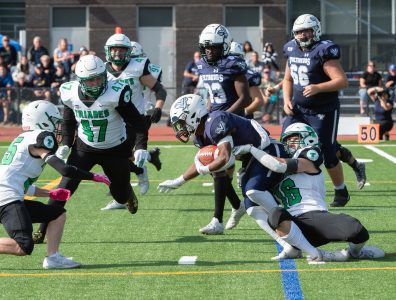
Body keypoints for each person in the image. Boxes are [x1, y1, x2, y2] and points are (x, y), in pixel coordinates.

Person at [0, 100, 111, 270]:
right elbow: (64, 169)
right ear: (43, 120)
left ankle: (53, 257)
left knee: (57, 213)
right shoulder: (41, 136)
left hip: (5, 195)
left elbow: (22, 184)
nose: (58, 127)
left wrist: (50, 194)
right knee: (24, 245)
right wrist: (93, 176)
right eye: (55, 122)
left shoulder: (23, 138)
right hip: (7, 198)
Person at [159, 94, 298, 260]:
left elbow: (224, 157)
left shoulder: (215, 121)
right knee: (251, 207)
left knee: (253, 191)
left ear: (194, 114)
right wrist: (178, 181)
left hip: (268, 152)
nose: (180, 128)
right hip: (251, 160)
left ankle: (294, 228)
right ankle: (288, 245)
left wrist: (205, 169)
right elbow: (210, 161)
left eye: (182, 122)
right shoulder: (200, 135)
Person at [32, 55, 148, 244]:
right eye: (90, 80)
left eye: (98, 78)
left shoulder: (116, 92)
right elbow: (69, 121)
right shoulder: (69, 93)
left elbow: (138, 122)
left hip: (115, 150)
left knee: (119, 195)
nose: (95, 83)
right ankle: (42, 229)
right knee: (63, 189)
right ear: (80, 80)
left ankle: (127, 194)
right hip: (84, 149)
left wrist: (141, 146)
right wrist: (65, 145)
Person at [241, 122, 385, 261]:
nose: (289, 143)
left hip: (316, 217)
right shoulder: (277, 174)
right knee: (275, 214)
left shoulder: (310, 154)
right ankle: (316, 254)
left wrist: (253, 149)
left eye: (294, 138)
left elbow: (279, 165)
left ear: (308, 137)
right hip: (293, 226)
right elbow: (257, 197)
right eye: (287, 140)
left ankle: (355, 252)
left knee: (356, 229)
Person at [282, 14, 354, 207]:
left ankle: (341, 191)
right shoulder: (290, 49)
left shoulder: (323, 50)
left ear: (316, 31)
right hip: (298, 109)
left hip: (324, 109)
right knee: (286, 145)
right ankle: (289, 189)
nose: (303, 35)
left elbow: (342, 81)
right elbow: (288, 79)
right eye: (299, 32)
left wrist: (317, 87)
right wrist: (286, 99)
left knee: (327, 152)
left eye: (306, 31)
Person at [193, 24, 252, 234]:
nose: (209, 51)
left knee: (221, 169)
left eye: (214, 47)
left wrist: (227, 118)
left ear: (225, 46)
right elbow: (211, 95)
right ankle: (237, 206)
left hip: (233, 121)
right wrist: (208, 114)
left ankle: (218, 220)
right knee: (218, 169)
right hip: (214, 119)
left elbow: (246, 98)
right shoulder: (202, 65)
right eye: (206, 47)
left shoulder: (233, 64)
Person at [101, 40, 163, 211]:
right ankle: (141, 169)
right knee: (115, 158)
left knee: (118, 159)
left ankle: (123, 196)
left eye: (122, 50)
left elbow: (159, 89)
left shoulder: (140, 67)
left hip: (135, 119)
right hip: (112, 120)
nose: (118, 54)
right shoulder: (102, 70)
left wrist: (157, 107)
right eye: (114, 50)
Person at [228, 41, 263, 119]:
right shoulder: (220, 72)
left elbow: (259, 100)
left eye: (233, 57)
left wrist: (244, 112)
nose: (231, 60)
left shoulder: (248, 74)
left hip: (242, 119)